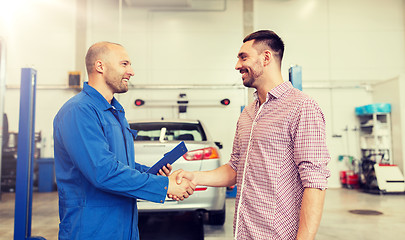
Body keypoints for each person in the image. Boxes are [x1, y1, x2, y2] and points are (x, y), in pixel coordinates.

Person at [174, 30, 331, 239]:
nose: (237, 65)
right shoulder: (248, 113)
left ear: (266, 58)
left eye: (243, 57)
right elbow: (235, 168)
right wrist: (194, 176)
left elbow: (314, 182)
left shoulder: (302, 107)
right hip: (244, 233)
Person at [53, 41, 195, 240]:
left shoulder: (116, 112)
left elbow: (118, 163)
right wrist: (164, 185)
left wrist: (150, 172)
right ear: (100, 66)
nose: (132, 71)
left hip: (124, 227)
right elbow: (103, 172)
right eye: (124, 64)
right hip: (90, 229)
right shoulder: (79, 111)